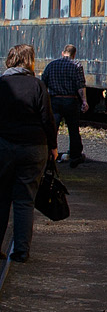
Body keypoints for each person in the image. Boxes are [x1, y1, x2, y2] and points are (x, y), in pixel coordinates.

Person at [1, 45, 58, 263]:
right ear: (29, 61)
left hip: (4, 147)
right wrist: (53, 147)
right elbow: (47, 119)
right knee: (25, 201)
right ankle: (21, 251)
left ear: (10, 60)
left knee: (1, 198)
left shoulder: (2, 84)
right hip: (33, 149)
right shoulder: (37, 85)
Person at [42, 44, 88, 166]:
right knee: (73, 129)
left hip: (55, 100)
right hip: (70, 101)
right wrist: (84, 101)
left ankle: (49, 153)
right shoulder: (76, 65)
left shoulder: (52, 65)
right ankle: (75, 155)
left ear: (63, 53)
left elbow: (43, 83)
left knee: (53, 128)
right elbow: (80, 85)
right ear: (74, 54)